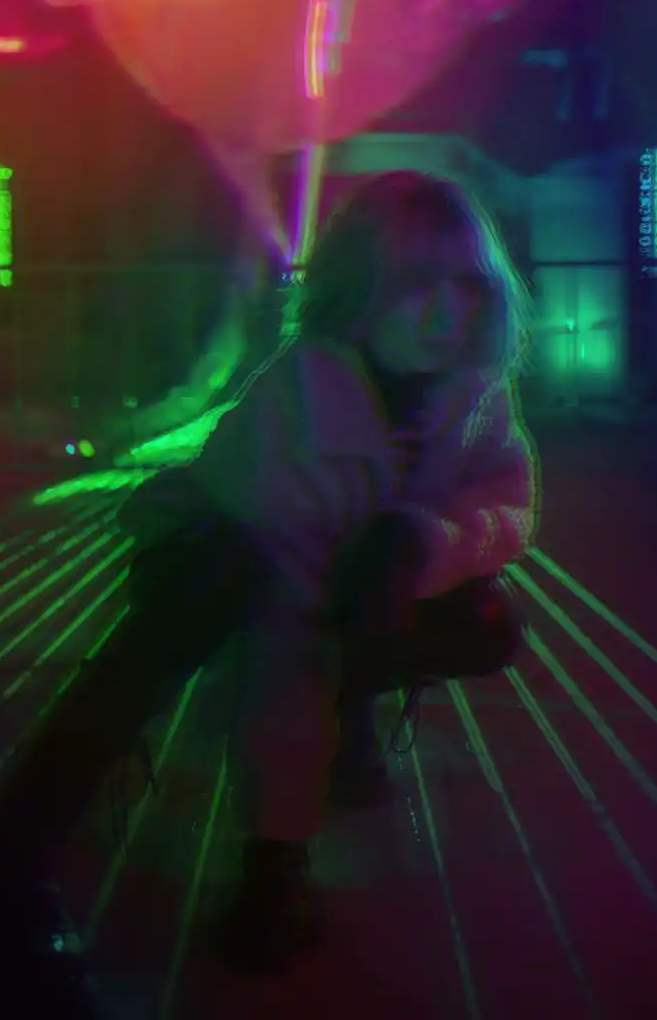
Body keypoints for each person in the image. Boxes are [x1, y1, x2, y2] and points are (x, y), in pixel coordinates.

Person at [122, 169, 537, 971]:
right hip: (250, 566)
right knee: (289, 660)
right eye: (415, 286)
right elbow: (288, 623)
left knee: (487, 624)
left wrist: (420, 543)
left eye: (465, 286)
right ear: (356, 288)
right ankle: (275, 858)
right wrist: (276, 850)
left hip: (368, 576)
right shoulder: (295, 403)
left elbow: (509, 504)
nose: (447, 314)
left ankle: (352, 708)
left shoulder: (477, 394)